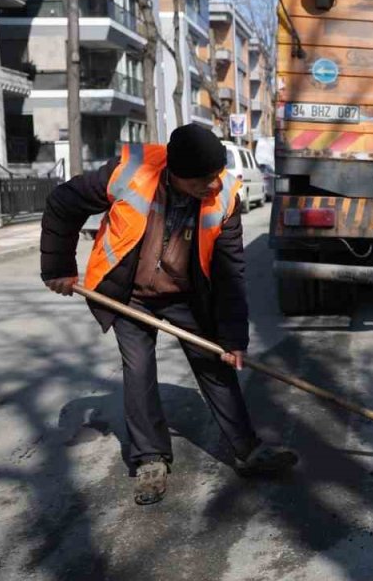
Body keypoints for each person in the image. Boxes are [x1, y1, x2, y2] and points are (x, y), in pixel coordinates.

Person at [40, 124, 297, 505]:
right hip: (129, 296)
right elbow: (63, 202)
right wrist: (58, 267)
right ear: (176, 173)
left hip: (189, 295)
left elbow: (230, 271)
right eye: (202, 180)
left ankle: (247, 449)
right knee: (139, 370)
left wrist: (232, 339)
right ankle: (150, 459)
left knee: (216, 363)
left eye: (215, 175)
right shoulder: (131, 173)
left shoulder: (224, 195)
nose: (212, 185)